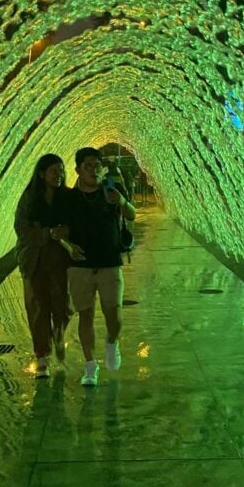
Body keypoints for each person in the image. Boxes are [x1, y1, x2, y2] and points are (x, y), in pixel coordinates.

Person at [64, 146, 137, 386]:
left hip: (109, 263)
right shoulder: (70, 198)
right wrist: (68, 246)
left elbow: (132, 215)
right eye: (88, 166)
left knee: (114, 315)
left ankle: (111, 343)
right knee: (85, 315)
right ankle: (90, 367)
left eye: (97, 166)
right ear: (77, 169)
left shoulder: (112, 190)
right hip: (81, 266)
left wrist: (122, 201)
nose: (93, 170)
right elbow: (59, 229)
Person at [14, 154, 71, 379]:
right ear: (42, 174)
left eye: (61, 171)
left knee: (63, 305)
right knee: (37, 308)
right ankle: (42, 358)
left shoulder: (66, 197)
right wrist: (46, 233)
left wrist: (66, 231)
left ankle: (58, 333)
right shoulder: (29, 198)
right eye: (54, 171)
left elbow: (76, 222)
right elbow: (21, 228)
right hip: (34, 261)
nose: (59, 175)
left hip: (61, 260)